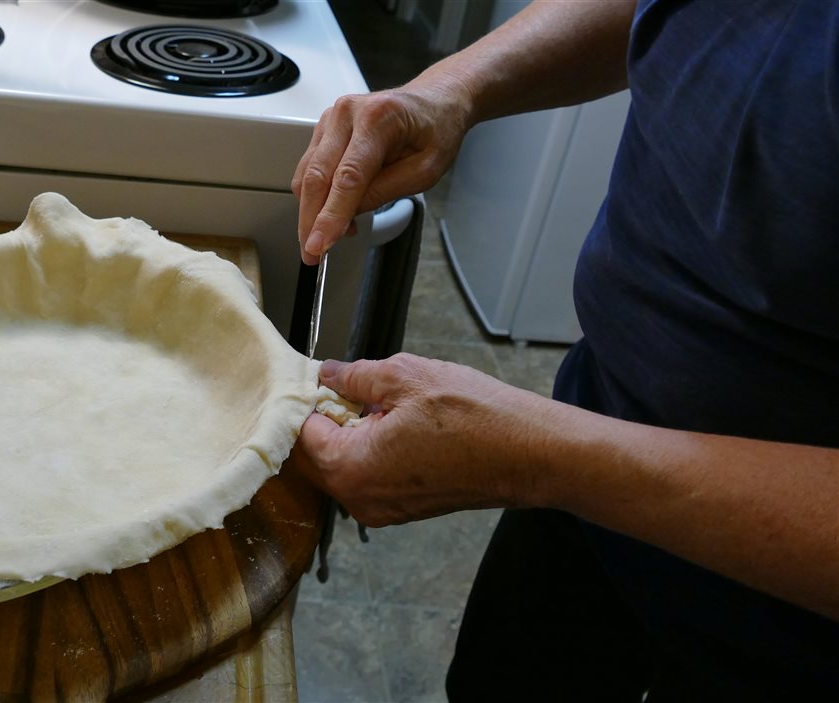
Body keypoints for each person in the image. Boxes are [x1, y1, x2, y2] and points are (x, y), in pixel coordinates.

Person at [290, 0, 839, 700]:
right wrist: (452, 88)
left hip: (793, 630)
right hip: (593, 441)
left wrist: (540, 456)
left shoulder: (552, 459)